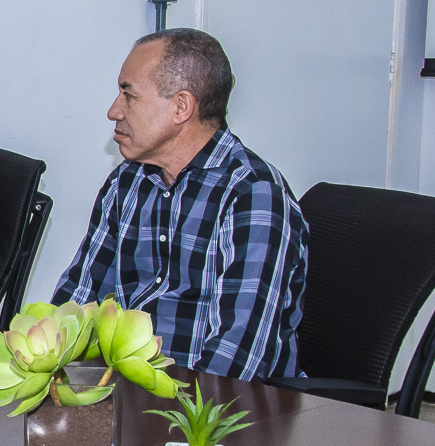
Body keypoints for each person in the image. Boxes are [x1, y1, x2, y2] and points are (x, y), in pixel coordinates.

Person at [54, 28, 307, 381]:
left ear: (181, 107)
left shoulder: (252, 194)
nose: (114, 110)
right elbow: (78, 298)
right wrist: (40, 367)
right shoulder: (127, 181)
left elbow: (237, 359)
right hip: (130, 395)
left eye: (129, 95)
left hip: (213, 415)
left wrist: (162, 420)